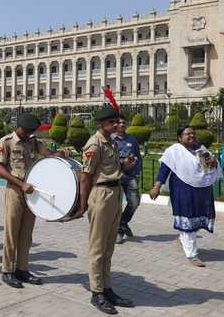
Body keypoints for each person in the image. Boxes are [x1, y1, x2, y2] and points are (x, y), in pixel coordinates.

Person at [74, 106, 136, 315]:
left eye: (117, 122)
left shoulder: (111, 142)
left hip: (115, 193)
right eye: (112, 122)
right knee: (98, 247)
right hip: (100, 195)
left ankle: (107, 288)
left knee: (109, 246)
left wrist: (126, 165)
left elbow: (112, 169)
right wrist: (83, 205)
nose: (117, 125)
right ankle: (97, 291)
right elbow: (85, 176)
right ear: (101, 124)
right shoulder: (94, 143)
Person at [0, 113, 62, 288]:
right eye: (27, 131)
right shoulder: (6, 141)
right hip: (15, 191)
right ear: (20, 128)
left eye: (32, 131)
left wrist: (57, 155)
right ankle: (7, 271)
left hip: (31, 193)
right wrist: (20, 184)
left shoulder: (32, 141)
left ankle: (22, 269)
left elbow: (45, 152)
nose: (29, 134)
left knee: (26, 234)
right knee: (12, 232)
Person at [149, 126, 221, 267]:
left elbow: (210, 165)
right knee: (188, 220)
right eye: (188, 134)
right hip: (184, 191)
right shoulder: (174, 151)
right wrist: (156, 186)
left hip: (202, 191)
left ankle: (183, 239)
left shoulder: (201, 149)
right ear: (180, 138)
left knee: (198, 219)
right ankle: (192, 254)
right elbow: (164, 170)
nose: (192, 136)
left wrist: (214, 163)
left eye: (193, 133)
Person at [112, 115, 142, 244]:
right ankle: (118, 231)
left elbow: (138, 156)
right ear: (115, 125)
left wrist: (138, 171)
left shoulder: (131, 139)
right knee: (117, 205)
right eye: (119, 122)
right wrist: (123, 161)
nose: (122, 124)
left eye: (124, 122)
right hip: (116, 176)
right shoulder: (110, 139)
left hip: (130, 175)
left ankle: (123, 222)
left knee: (134, 202)